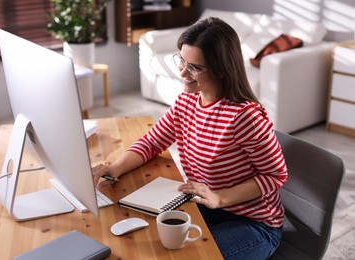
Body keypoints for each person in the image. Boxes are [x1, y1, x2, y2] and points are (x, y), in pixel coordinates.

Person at [93, 17, 288, 260]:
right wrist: (114, 168)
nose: (183, 73)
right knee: (145, 241)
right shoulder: (187, 102)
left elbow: (276, 176)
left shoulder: (244, 117)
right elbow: (153, 141)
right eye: (182, 61)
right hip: (207, 205)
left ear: (221, 69)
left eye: (195, 67)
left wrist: (220, 197)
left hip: (253, 222)